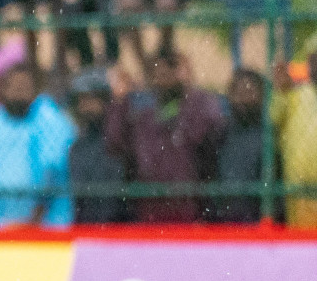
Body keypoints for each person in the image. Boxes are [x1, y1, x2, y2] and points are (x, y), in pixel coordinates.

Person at [106, 49, 226, 223]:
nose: (164, 77)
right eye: (159, 73)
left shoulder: (199, 105)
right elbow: (114, 142)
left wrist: (188, 88)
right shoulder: (143, 118)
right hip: (148, 211)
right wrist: (120, 99)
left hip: (189, 210)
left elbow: (210, 132)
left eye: (171, 70)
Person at [0, 61, 74, 228]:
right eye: (14, 87)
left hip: (44, 226)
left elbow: (52, 173)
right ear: (4, 90)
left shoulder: (50, 119)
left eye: (25, 87)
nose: (19, 93)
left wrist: (31, 223)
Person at [66, 69, 128, 224]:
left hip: (120, 227)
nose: (86, 106)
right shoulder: (78, 147)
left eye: (92, 100)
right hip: (87, 228)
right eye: (82, 101)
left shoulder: (120, 139)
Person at [213, 68, 272, 224]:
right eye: (238, 93)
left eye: (250, 92)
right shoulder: (221, 133)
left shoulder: (269, 134)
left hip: (259, 221)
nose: (243, 99)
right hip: (224, 220)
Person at [273, 53, 317, 228]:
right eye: (313, 61)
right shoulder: (297, 95)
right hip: (299, 192)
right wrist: (281, 91)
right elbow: (273, 119)